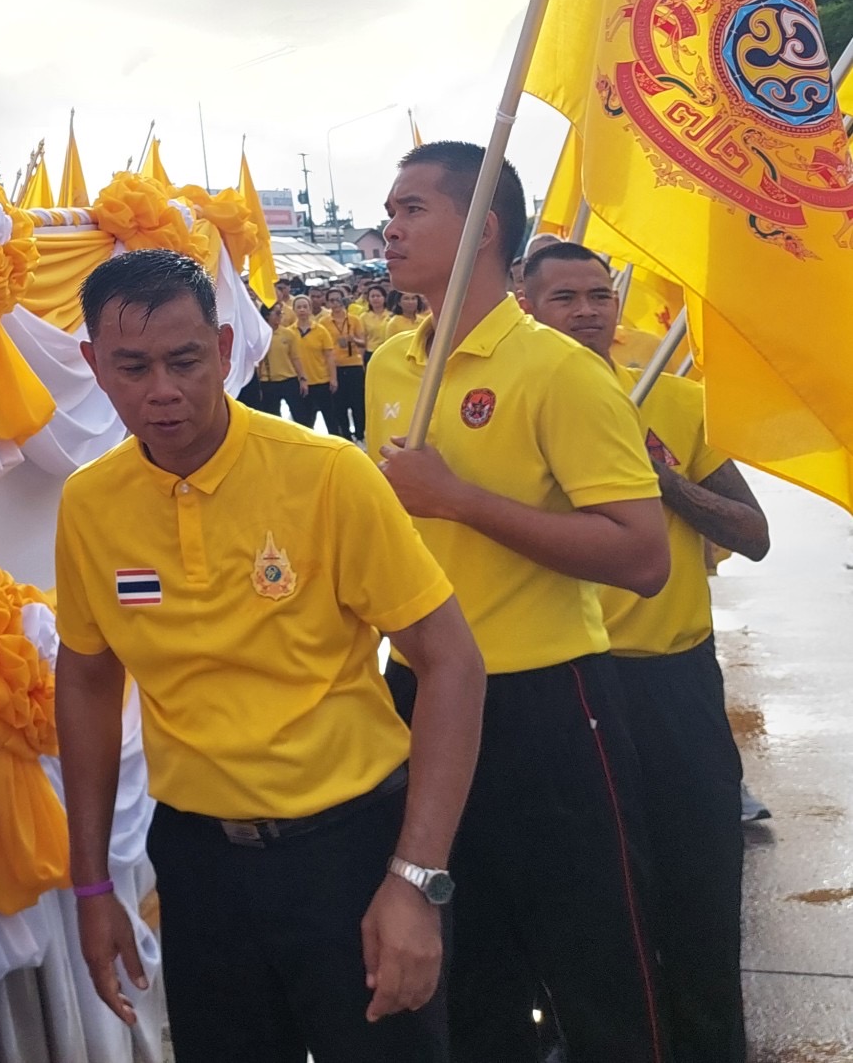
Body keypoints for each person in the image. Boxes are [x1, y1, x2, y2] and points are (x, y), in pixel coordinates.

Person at [56, 249, 484, 1062]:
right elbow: (83, 678)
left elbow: (452, 660)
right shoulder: (89, 504)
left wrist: (416, 878)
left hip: (352, 850)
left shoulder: (327, 477)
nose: (162, 390)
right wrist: (91, 885)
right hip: (197, 862)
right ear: (93, 368)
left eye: (184, 360)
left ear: (224, 351)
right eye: (132, 366)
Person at [368, 142, 672, 1062]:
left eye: (414, 208)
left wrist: (461, 497)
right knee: (469, 976)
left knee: (600, 970)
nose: (391, 225)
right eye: (391, 207)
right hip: (423, 702)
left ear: (482, 230)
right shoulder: (391, 364)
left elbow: (643, 553)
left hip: (546, 706)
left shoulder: (558, 370)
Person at [518, 240, 769, 1063]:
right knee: (588, 898)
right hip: (562, 682)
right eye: (564, 297)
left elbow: (752, 533)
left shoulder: (676, 397)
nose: (588, 310)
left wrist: (662, 481)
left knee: (700, 886)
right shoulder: (509, 403)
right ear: (524, 304)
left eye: (599, 294)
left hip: (670, 683)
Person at [290, 294, 340, 434]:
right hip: (301, 382)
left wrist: (333, 378)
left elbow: (329, 355)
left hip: (321, 380)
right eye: (299, 307)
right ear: (294, 310)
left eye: (305, 307)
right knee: (304, 421)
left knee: (330, 417)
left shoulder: (321, 330)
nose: (302, 310)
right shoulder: (290, 332)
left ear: (310, 309)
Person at [330, 282, 369, 442]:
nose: (335, 304)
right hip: (336, 367)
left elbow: (363, 342)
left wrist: (353, 339)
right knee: (339, 405)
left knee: (357, 403)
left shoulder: (354, 319)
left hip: (354, 365)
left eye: (338, 300)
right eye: (331, 300)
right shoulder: (324, 322)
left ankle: (360, 434)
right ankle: (345, 435)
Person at [251, 301, 300, 420]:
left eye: (281, 313)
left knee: (300, 415)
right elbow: (258, 361)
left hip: (289, 379)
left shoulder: (288, 333)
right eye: (277, 313)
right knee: (273, 417)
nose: (280, 316)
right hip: (268, 382)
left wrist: (302, 378)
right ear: (267, 315)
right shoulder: (260, 335)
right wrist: (257, 386)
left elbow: (295, 358)